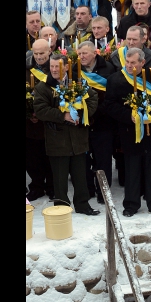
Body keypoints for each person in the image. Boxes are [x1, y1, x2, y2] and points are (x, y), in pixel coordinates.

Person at [103, 47, 151, 216]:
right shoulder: (116, 79)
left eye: (133, 63)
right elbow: (110, 106)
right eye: (127, 62)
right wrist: (130, 115)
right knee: (132, 169)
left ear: (142, 62)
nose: (129, 66)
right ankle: (131, 204)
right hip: (130, 131)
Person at [32, 52, 100, 215]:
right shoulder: (43, 87)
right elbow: (40, 110)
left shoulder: (77, 82)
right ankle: (62, 207)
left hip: (78, 139)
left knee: (80, 176)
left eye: (58, 66)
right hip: (57, 140)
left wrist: (82, 113)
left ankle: (83, 205)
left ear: (67, 67)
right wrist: (63, 116)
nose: (54, 69)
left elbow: (93, 98)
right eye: (52, 66)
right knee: (60, 178)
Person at [77, 40, 116, 202]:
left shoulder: (108, 68)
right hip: (83, 124)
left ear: (95, 53)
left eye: (85, 53)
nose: (82, 57)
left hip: (103, 122)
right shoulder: (75, 69)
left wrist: (95, 110)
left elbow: (112, 95)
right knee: (84, 161)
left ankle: (103, 192)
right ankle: (88, 189)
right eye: (79, 54)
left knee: (104, 160)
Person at [26, 39, 54, 201]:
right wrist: (30, 114)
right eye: (35, 53)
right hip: (30, 124)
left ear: (49, 51)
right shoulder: (27, 67)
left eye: (42, 53)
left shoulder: (55, 66)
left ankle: (51, 186)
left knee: (49, 157)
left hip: (49, 123)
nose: (38, 57)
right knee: (32, 158)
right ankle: (36, 186)